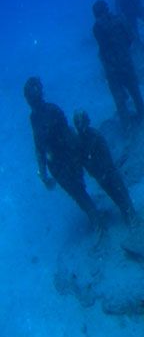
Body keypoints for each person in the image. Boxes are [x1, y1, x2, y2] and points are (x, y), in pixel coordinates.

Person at [24, 77, 101, 230]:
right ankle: (95, 217)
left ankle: (97, 218)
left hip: (66, 157)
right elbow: (39, 146)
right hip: (57, 164)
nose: (31, 102)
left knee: (79, 189)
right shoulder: (33, 118)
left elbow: (67, 135)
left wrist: (75, 157)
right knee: (76, 193)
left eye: (32, 98)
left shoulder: (52, 110)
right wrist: (43, 171)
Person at [73, 110, 137, 225]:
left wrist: (104, 171)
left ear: (87, 122)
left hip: (108, 171)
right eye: (77, 124)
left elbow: (106, 155)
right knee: (113, 194)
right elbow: (82, 160)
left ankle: (131, 212)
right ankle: (124, 211)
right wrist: (95, 173)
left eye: (81, 123)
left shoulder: (96, 136)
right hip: (99, 174)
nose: (79, 127)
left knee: (120, 191)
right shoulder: (79, 142)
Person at [92, 0, 144, 127]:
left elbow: (103, 47)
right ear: (106, 9)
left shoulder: (97, 28)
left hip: (111, 67)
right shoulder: (119, 19)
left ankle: (126, 126)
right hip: (125, 61)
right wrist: (123, 50)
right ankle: (142, 115)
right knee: (134, 90)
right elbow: (131, 38)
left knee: (119, 99)